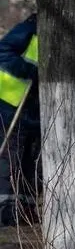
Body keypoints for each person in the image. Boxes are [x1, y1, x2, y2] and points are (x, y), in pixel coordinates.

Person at [0, 13, 39, 227]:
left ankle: (24, 209)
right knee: (9, 160)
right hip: (8, 105)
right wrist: (30, 71)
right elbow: (3, 51)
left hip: (32, 111)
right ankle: (5, 211)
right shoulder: (29, 29)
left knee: (30, 162)